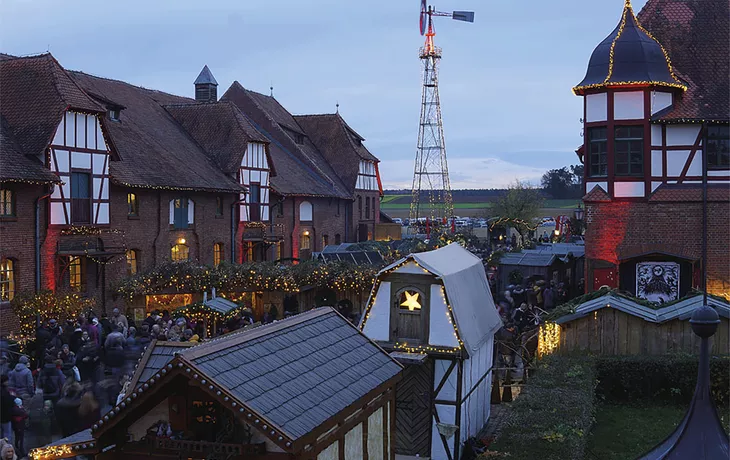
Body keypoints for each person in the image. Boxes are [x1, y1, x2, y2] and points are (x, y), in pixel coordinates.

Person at [1, 376, 14, 443]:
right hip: (5, 416)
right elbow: (8, 402)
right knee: (7, 433)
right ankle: (7, 448)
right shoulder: (4, 392)